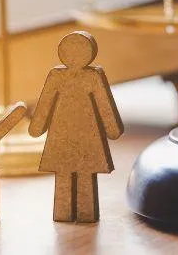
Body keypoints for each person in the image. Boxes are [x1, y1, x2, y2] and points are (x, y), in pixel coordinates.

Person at [29, 31, 124, 223]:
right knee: (67, 173)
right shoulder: (56, 76)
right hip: (63, 133)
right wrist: (37, 126)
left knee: (84, 174)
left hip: (86, 133)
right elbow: (46, 102)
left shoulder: (93, 76)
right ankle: (65, 213)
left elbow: (104, 104)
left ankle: (85, 213)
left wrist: (112, 128)